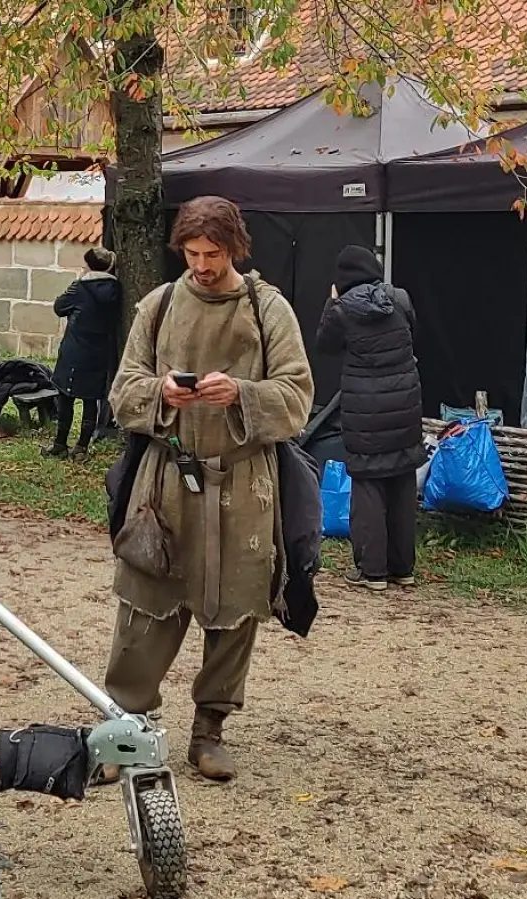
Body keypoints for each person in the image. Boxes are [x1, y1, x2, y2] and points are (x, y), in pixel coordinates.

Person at [103, 195, 314, 782]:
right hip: (167, 479)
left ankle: (209, 731)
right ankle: (127, 727)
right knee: (145, 599)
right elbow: (123, 390)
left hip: (245, 483)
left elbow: (298, 397)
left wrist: (242, 394)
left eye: (213, 254)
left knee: (236, 606)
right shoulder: (159, 304)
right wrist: (162, 394)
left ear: (235, 249)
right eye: (192, 253)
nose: (201, 265)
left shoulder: (266, 308)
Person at [316, 245, 423, 591]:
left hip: (364, 410)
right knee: (402, 482)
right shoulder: (401, 298)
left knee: (368, 486)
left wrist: (331, 302)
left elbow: (325, 346)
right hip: (405, 404)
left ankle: (372, 571)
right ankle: (403, 569)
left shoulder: (342, 311)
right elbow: (413, 333)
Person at [43, 246, 124, 461]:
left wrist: (77, 283)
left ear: (89, 266)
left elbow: (59, 307)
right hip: (99, 351)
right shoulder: (116, 290)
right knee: (91, 400)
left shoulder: (80, 287)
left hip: (74, 348)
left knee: (65, 396)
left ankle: (60, 444)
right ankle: (81, 447)